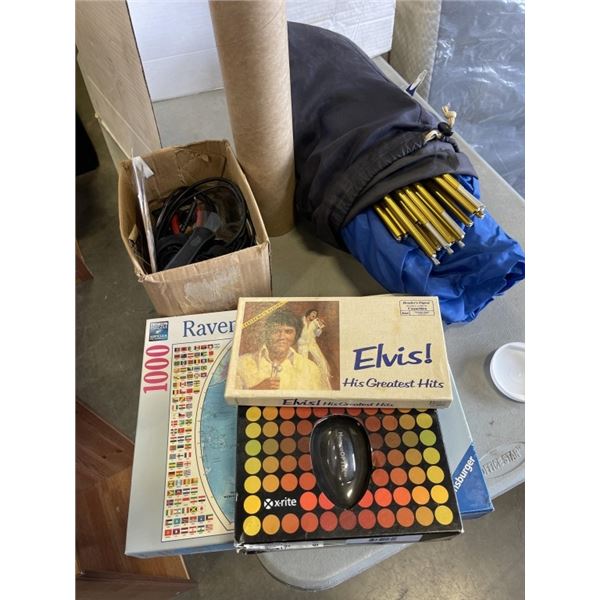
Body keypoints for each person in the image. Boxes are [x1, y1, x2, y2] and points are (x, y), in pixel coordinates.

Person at [235, 309, 326, 390]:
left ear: (296, 335)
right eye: (275, 331)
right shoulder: (241, 363)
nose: (282, 337)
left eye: (288, 332)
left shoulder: (311, 368)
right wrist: (255, 390)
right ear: (267, 333)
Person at [297, 308, 331, 389]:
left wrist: (320, 327)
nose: (314, 315)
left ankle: (323, 381)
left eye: (315, 315)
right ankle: (304, 383)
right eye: (313, 313)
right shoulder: (301, 321)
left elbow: (317, 334)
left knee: (321, 361)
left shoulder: (315, 322)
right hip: (302, 345)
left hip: (312, 344)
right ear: (309, 313)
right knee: (302, 363)